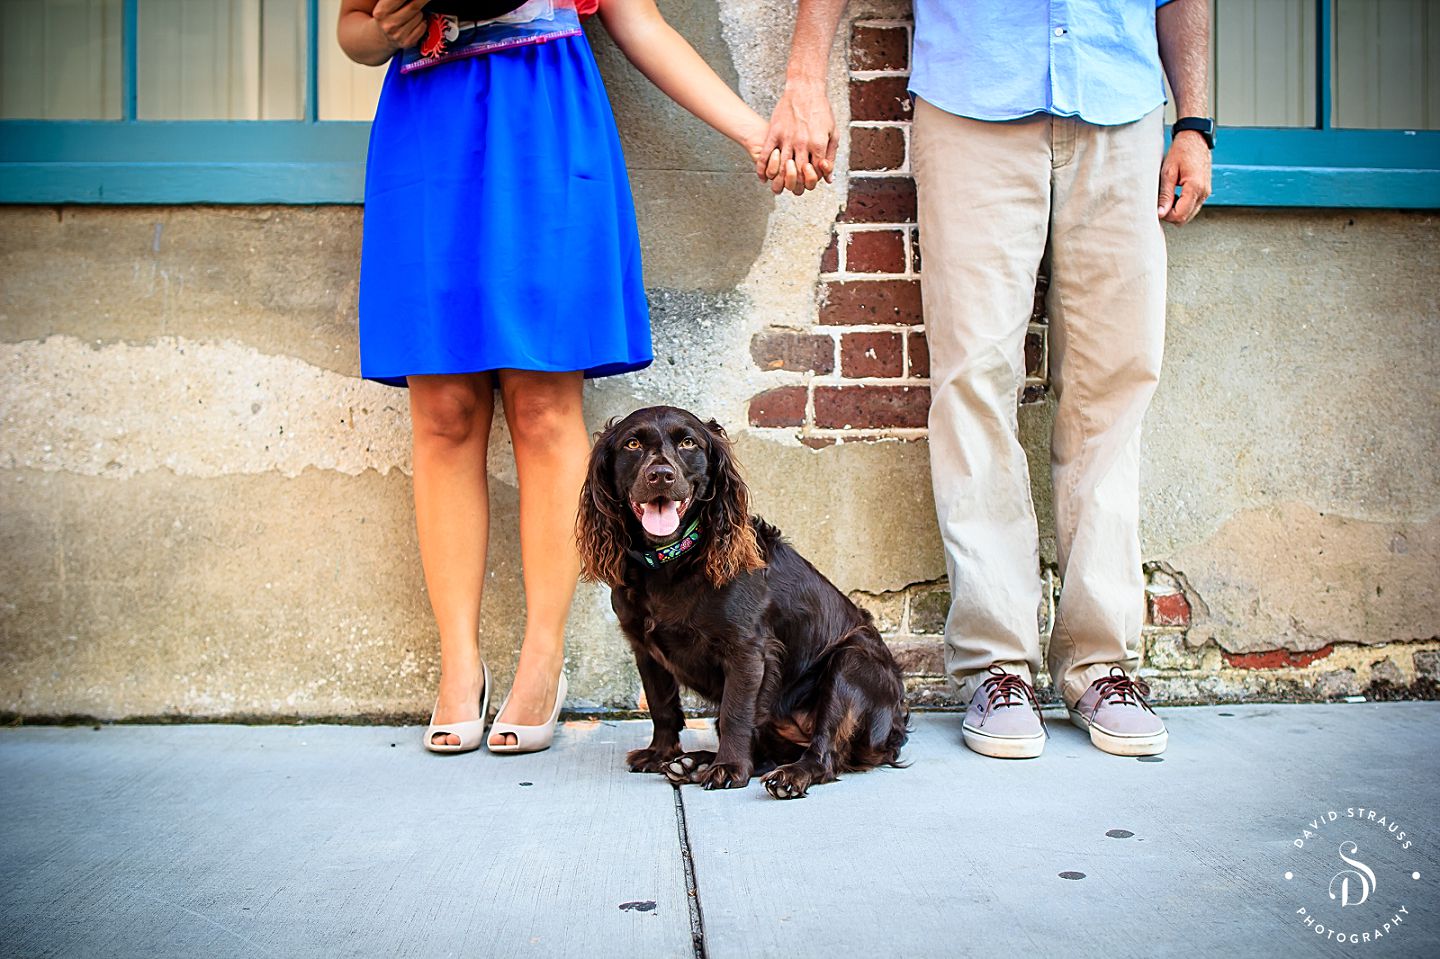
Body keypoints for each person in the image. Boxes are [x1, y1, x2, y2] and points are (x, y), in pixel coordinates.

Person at [339, 0, 804, 754]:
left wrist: (754, 131)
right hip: (428, 126)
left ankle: (541, 659)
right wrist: (386, 28)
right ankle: (459, 662)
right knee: (444, 409)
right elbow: (352, 30)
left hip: (544, 119)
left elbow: (638, 21)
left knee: (544, 405)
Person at [762, 0, 1212, 758]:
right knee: (973, 382)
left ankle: (1101, 665)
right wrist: (804, 72)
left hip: (1120, 101)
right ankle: (996, 664)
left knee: (1116, 383)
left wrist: (1195, 122)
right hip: (975, 99)